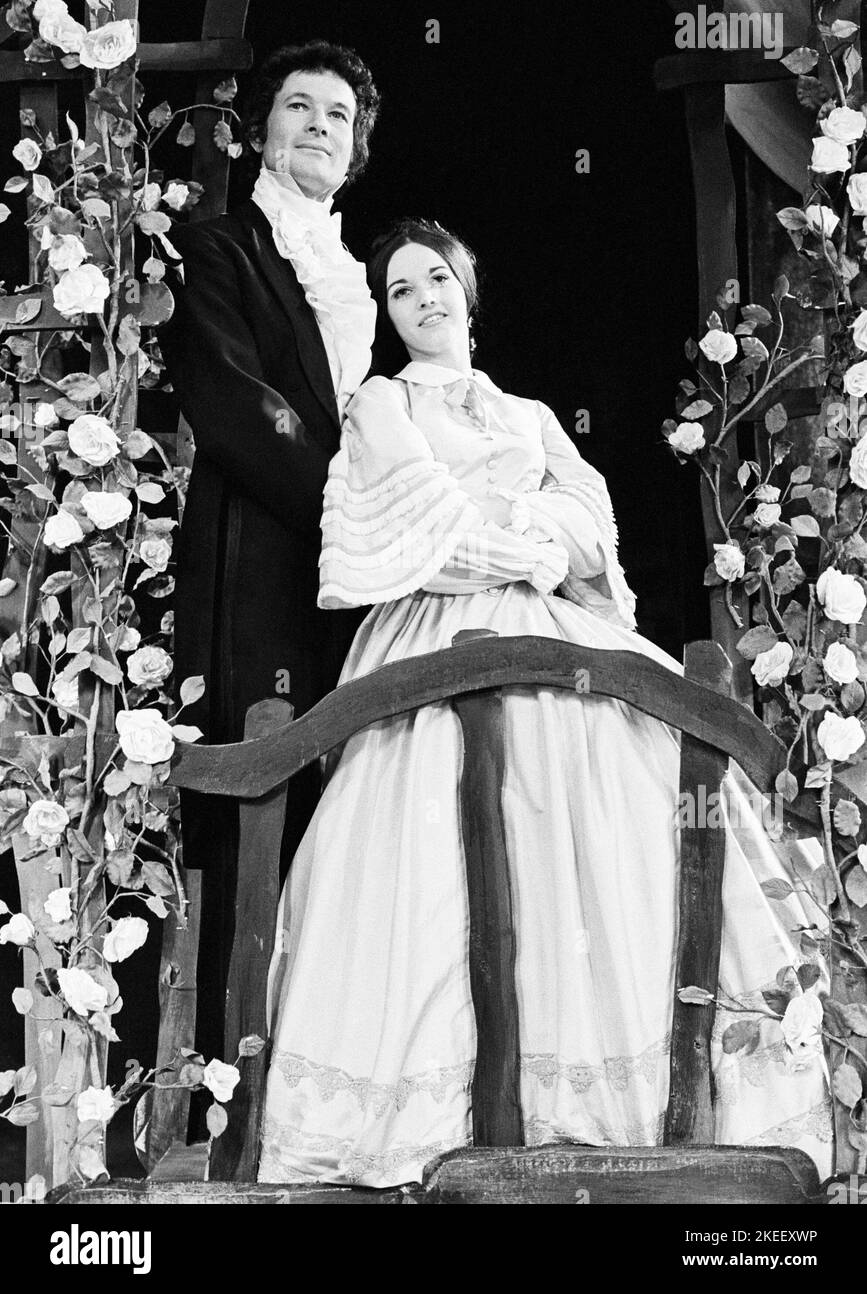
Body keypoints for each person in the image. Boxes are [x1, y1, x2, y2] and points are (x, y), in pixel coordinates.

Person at [256, 218, 833, 1189]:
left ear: (468, 289)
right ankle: (435, 1115)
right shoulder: (380, 405)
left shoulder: (527, 414)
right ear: (388, 314)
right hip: (432, 638)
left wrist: (531, 536)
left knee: (609, 828)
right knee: (429, 850)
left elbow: (586, 529)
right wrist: (522, 537)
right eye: (400, 289)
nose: (424, 298)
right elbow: (417, 522)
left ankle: (619, 1099)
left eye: (436, 278)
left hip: (564, 638)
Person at [156, 41, 380, 1087]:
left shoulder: (363, 278)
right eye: (299, 107)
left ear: (357, 148)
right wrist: (359, 514)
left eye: (338, 115)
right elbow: (242, 410)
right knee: (248, 808)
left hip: (345, 585)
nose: (319, 126)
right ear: (260, 128)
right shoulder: (217, 247)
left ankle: (323, 1072)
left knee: (344, 809)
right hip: (256, 563)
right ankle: (222, 1084)